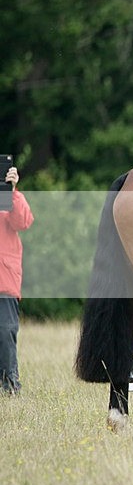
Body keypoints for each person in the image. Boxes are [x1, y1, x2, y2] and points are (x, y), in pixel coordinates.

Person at [0, 164, 33, 395]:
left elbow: (23, 222)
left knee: (5, 332)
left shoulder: (7, 199)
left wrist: (12, 190)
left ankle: (10, 384)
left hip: (4, 279)